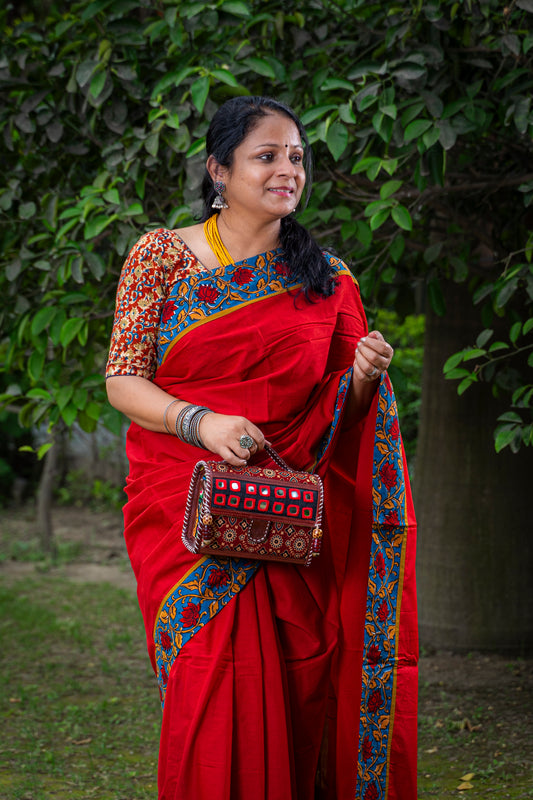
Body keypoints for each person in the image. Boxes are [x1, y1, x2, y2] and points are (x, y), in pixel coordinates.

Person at [106, 95, 418, 800]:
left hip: (288, 524)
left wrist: (361, 380)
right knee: (210, 688)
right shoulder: (160, 255)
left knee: (300, 689)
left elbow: (335, 420)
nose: (288, 171)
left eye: (297, 158)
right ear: (219, 170)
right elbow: (123, 381)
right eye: (267, 156)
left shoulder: (328, 281)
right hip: (184, 510)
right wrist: (202, 423)